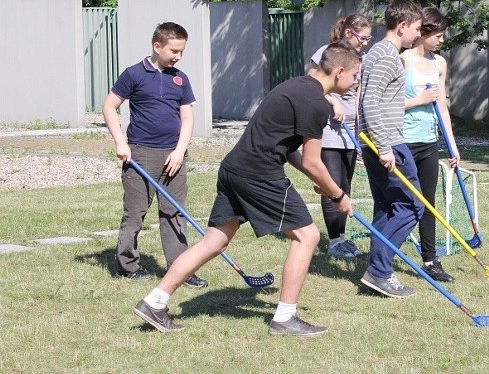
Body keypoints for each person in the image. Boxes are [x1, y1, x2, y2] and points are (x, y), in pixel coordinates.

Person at [133, 41, 361, 336]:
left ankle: (155, 301)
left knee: (214, 242)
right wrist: (338, 195)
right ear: (340, 71)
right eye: (355, 75)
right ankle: (285, 318)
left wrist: (317, 180)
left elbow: (290, 151)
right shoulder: (315, 102)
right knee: (308, 236)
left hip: (235, 168)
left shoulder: (295, 86)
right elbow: (314, 161)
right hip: (258, 173)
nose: (356, 82)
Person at [103, 22, 207, 289]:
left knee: (175, 212)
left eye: (182, 51)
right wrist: (120, 143)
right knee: (136, 212)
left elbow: (187, 116)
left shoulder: (180, 78)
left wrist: (180, 151)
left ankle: (180, 269)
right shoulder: (134, 74)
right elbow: (110, 105)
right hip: (140, 153)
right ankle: (127, 266)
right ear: (157, 46)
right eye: (174, 50)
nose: (178, 56)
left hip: (174, 154)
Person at [358, 0, 425, 298]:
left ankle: (378, 272)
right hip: (387, 143)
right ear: (402, 26)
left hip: (377, 141)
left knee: (387, 207)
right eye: (416, 29)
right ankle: (379, 271)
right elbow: (369, 102)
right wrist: (385, 147)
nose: (417, 36)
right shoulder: (386, 56)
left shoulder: (378, 53)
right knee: (412, 205)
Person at [307, 14, 372, 260]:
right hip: (329, 130)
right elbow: (312, 83)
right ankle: (335, 241)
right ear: (349, 33)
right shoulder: (326, 52)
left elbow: (358, 95)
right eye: (363, 37)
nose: (366, 42)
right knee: (332, 185)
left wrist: (361, 129)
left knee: (345, 185)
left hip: (350, 132)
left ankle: (341, 238)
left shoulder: (361, 59)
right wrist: (333, 101)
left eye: (368, 38)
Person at [401, 7, 459, 282]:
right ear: (422, 33)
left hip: (428, 142)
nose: (441, 39)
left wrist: (452, 145)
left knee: (428, 202)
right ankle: (384, 257)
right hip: (402, 142)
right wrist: (418, 100)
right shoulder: (403, 61)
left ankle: (430, 260)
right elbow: (387, 106)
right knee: (402, 201)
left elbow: (442, 106)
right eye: (437, 34)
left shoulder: (440, 64)